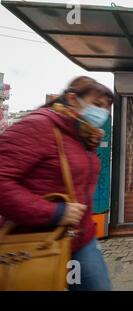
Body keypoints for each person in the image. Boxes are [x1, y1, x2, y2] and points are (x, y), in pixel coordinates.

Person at [0, 76, 113, 291]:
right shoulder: (39, 126)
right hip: (35, 240)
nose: (103, 113)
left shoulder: (83, 134)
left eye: (107, 108)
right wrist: (54, 212)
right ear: (72, 98)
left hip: (79, 240)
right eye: (97, 105)